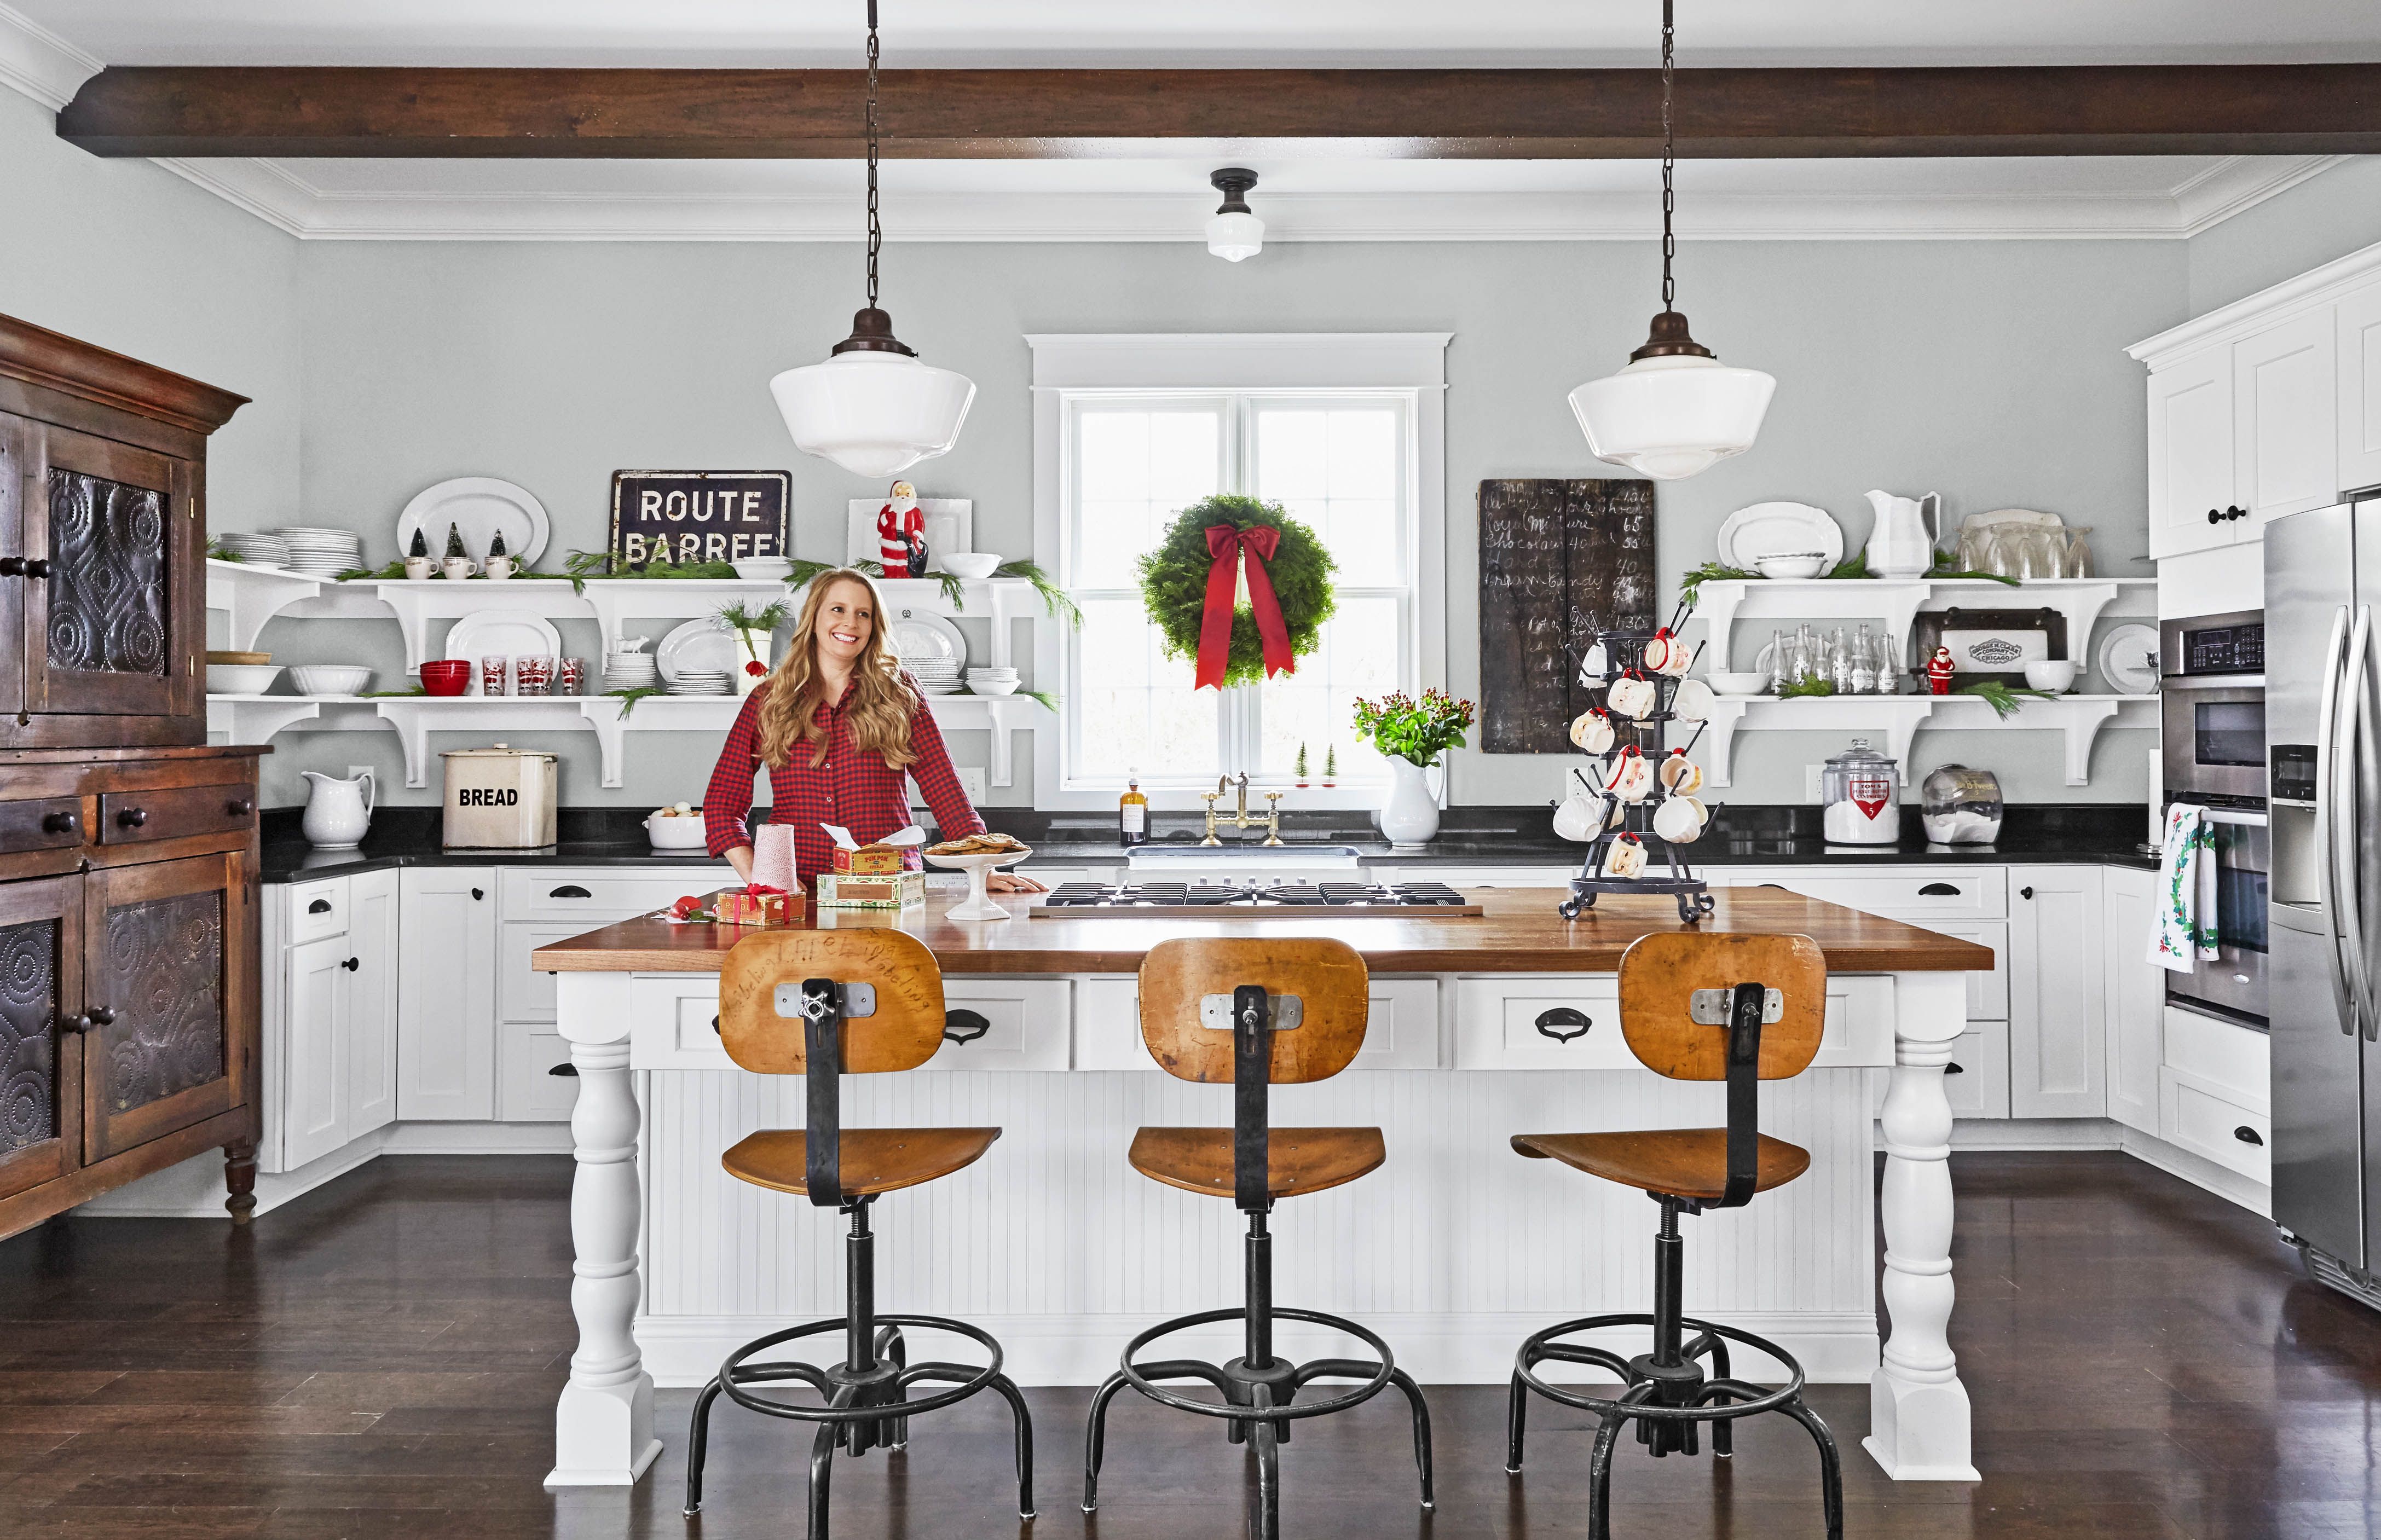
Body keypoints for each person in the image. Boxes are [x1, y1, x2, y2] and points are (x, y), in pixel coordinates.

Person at [702, 566, 1044, 893]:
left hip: (890, 886)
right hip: (800, 889)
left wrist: (982, 869)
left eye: (863, 614)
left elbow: (943, 785)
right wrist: (759, 875)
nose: (850, 623)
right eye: (838, 609)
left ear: (873, 625)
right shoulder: (769, 700)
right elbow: (722, 802)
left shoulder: (899, 692)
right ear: (814, 618)